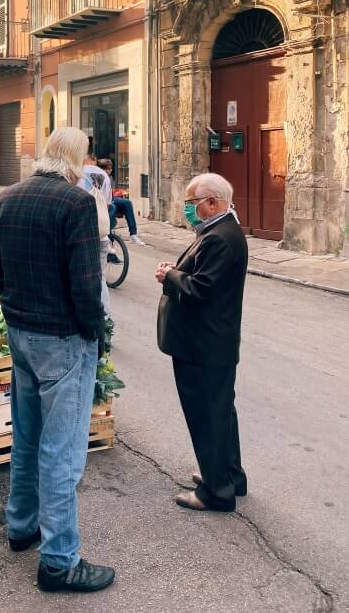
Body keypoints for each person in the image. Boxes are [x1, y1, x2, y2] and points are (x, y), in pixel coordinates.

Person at [0, 127, 114, 594]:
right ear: (77, 161)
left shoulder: (7, 197)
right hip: (62, 339)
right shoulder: (75, 203)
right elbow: (85, 286)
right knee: (62, 451)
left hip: (20, 334)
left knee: (27, 436)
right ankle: (59, 562)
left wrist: (19, 310)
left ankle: (21, 526)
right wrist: (94, 332)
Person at [156, 173, 248, 513]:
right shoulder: (221, 231)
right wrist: (178, 272)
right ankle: (228, 476)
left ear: (212, 202)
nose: (188, 209)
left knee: (206, 414)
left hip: (203, 344)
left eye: (192, 203)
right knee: (221, 412)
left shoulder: (220, 238)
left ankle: (216, 491)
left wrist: (171, 275)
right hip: (213, 342)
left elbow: (201, 290)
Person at [78, 154, 113, 317]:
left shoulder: (75, 173)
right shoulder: (104, 175)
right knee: (100, 278)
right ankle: (105, 320)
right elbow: (107, 203)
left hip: (82, 233)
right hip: (101, 235)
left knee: (80, 278)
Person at [99, 158, 145, 246]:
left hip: (110, 198)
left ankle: (133, 234)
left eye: (110, 169)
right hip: (102, 201)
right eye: (107, 169)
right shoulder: (98, 178)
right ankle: (107, 231)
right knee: (113, 207)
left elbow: (110, 194)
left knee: (127, 203)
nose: (109, 171)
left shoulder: (109, 178)